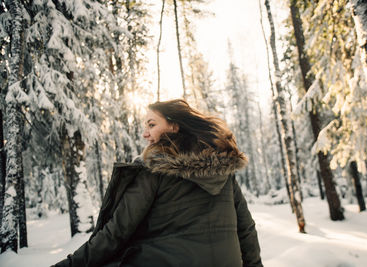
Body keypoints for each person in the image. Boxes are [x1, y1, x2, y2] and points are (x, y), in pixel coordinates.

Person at [53, 99, 263, 267]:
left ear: (173, 126)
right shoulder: (224, 171)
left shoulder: (153, 171)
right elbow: (246, 231)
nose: (145, 133)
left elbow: (115, 233)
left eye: (152, 125)